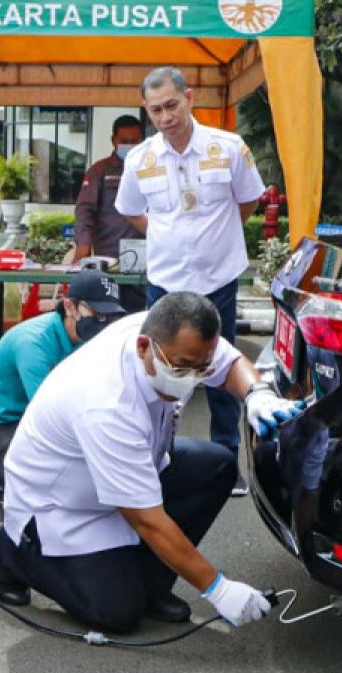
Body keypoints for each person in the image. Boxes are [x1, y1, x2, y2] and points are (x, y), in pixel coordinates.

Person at [0, 292, 303, 633]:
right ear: (143, 347)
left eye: (201, 368)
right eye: (181, 368)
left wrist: (257, 395)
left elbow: (229, 362)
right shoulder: (105, 402)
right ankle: (12, 550)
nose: (192, 379)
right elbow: (146, 519)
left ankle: (150, 585)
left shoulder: (171, 337)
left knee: (216, 465)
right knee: (117, 614)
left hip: (123, 471)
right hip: (59, 507)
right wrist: (218, 588)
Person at [115, 66, 266, 496]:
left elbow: (249, 200)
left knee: (220, 371)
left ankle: (226, 461)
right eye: (156, 109)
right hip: (165, 282)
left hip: (218, 279)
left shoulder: (229, 147)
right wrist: (167, 235)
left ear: (190, 98)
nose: (165, 117)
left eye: (172, 106)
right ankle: (154, 459)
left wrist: (215, 239)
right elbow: (129, 209)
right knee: (157, 374)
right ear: (146, 109)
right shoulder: (140, 159)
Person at [0, 269, 126, 503]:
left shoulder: (86, 338)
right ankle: (9, 475)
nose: (102, 322)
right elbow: (47, 413)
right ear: (70, 307)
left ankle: (8, 477)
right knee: (43, 494)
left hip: (29, 411)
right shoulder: (33, 344)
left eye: (108, 317)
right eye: (96, 313)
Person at [72, 115, 146, 312]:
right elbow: (84, 210)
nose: (129, 146)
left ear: (142, 141)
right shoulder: (100, 171)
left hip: (144, 263)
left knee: (137, 321)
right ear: (113, 140)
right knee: (106, 319)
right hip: (108, 263)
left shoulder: (151, 170)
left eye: (134, 142)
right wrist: (83, 245)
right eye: (124, 142)